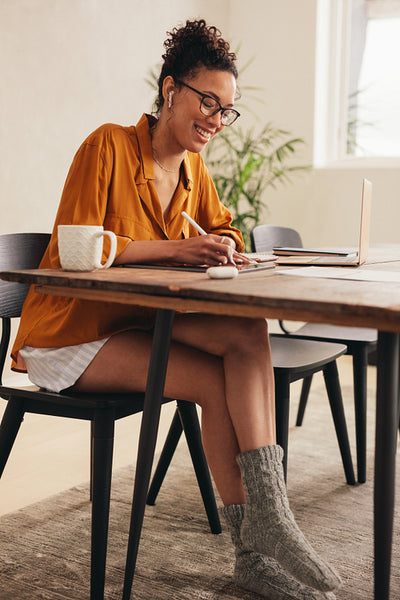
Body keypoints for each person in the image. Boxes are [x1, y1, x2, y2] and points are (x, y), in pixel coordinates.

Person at [12, 19, 340, 600]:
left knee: (245, 333)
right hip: (70, 335)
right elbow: (73, 248)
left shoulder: (192, 169)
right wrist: (177, 248)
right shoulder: (107, 144)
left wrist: (228, 246)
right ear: (170, 91)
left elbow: (221, 226)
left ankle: (260, 531)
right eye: (207, 101)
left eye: (227, 109)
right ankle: (268, 525)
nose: (216, 118)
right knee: (225, 361)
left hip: (132, 324)